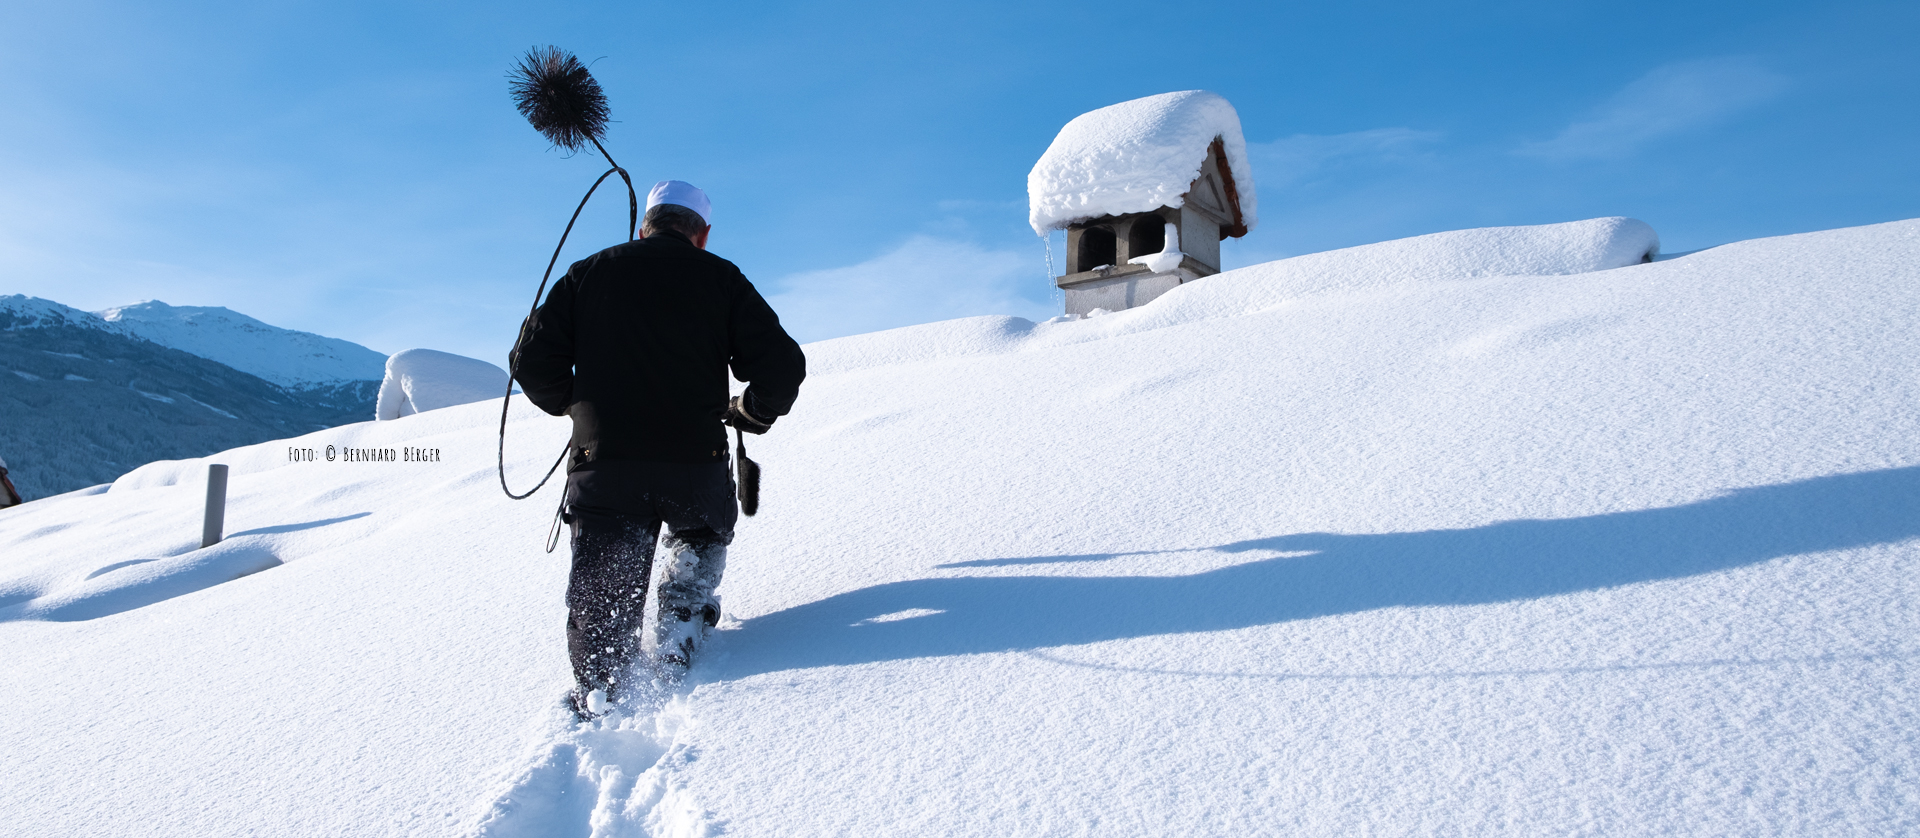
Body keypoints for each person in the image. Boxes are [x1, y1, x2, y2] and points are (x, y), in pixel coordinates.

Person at [511, 180, 805, 719]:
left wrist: (574, 406)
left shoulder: (587, 272)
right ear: (703, 234)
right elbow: (784, 367)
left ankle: (602, 685)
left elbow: (530, 360)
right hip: (694, 467)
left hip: (605, 468)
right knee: (697, 532)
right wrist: (751, 414)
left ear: (643, 225)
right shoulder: (722, 280)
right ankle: (681, 619)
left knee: (603, 593)